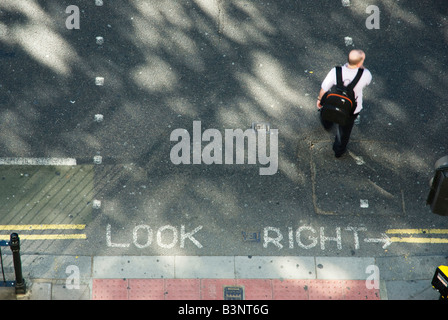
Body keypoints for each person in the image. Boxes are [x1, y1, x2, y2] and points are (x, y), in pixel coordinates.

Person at [317, 50, 372, 157]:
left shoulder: (336, 71)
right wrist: (361, 67)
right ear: (360, 63)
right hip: (351, 109)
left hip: (333, 103)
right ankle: (338, 151)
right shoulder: (365, 74)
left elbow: (324, 89)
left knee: (327, 114)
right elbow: (367, 82)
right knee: (344, 131)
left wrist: (319, 100)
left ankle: (327, 125)